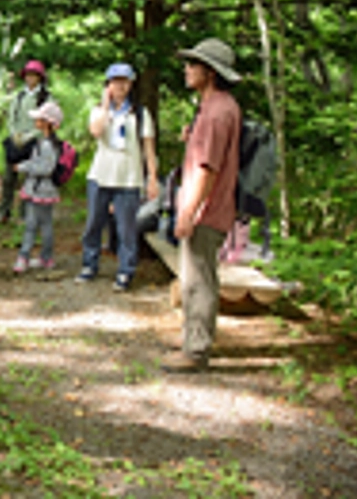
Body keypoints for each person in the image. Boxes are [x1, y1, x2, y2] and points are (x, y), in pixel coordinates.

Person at [162, 39, 242, 374]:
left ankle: (195, 351)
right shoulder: (219, 107)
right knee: (200, 275)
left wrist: (188, 212)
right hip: (212, 208)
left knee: (198, 280)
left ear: (210, 72)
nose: (186, 69)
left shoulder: (215, 112)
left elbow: (207, 170)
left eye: (193, 64)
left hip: (206, 211)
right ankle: (195, 341)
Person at [77, 63, 159, 292]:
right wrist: (105, 104)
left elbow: (149, 150)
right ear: (108, 85)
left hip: (129, 178)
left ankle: (125, 271)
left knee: (126, 229)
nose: (119, 86)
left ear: (131, 84)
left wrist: (152, 177)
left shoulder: (140, 114)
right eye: (115, 81)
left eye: (124, 81)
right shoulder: (99, 111)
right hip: (100, 175)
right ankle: (89, 265)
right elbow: (96, 131)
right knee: (94, 223)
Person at [11, 102, 64, 273]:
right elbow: (38, 162)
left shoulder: (47, 145)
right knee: (45, 224)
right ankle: (46, 257)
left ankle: (23, 257)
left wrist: (22, 168)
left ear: (47, 122)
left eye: (39, 118)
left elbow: (45, 168)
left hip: (40, 190)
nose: (35, 121)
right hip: (44, 190)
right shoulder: (47, 142)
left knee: (32, 225)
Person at [0, 59, 49, 224]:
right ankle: (3, 211)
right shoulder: (19, 96)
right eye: (28, 75)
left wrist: (30, 135)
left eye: (34, 75)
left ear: (40, 77)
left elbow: (47, 121)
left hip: (35, 143)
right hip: (16, 142)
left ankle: (24, 214)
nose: (30, 78)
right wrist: (14, 134)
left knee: (29, 180)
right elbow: (11, 118)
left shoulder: (45, 97)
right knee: (8, 178)